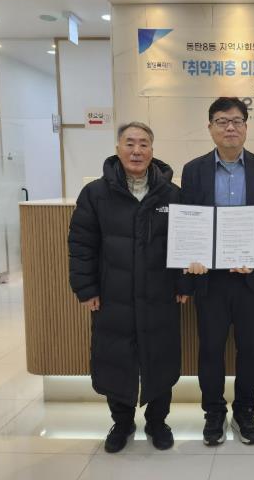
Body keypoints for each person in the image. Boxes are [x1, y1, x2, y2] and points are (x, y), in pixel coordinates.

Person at [68, 122, 187, 453]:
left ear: (152, 150)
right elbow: (81, 244)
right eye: (130, 143)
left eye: (144, 144)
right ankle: (121, 423)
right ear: (118, 149)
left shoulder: (171, 193)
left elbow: (185, 242)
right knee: (114, 357)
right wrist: (86, 288)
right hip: (113, 295)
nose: (137, 151)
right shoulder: (95, 193)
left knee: (160, 356)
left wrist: (184, 283)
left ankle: (157, 422)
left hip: (160, 294)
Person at [180, 97, 254, 446]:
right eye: (222, 121)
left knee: (250, 348)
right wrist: (193, 255)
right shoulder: (193, 170)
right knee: (210, 348)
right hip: (209, 278)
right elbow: (188, 219)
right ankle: (213, 413)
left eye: (237, 121)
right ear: (210, 127)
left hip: (250, 277)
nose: (230, 127)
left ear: (246, 127)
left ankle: (245, 412)